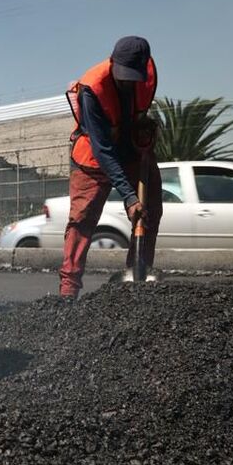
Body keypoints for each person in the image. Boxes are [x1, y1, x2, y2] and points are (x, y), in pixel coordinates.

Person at [60, 36, 162, 299]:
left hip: (130, 147)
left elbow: (136, 113)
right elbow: (103, 149)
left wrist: (144, 128)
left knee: (149, 209)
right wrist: (128, 197)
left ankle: (136, 278)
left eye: (132, 77)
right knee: (81, 220)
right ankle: (68, 293)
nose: (127, 82)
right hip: (93, 156)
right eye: (122, 76)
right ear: (112, 62)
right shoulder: (92, 88)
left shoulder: (145, 76)